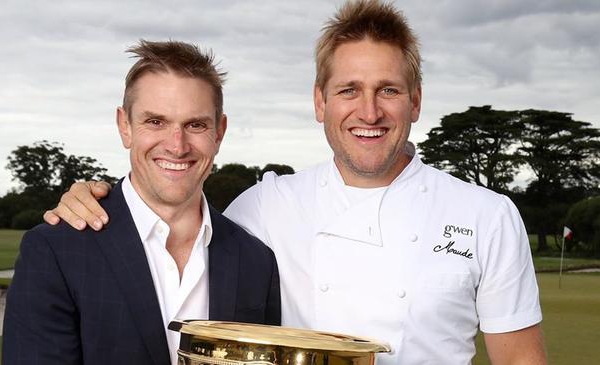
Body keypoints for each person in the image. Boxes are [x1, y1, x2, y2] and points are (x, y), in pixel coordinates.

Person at [43, 1, 547, 364]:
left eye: (388, 90)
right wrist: (93, 195)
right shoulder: (265, 206)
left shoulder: (487, 215)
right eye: (348, 90)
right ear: (319, 102)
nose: (368, 111)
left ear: (415, 101)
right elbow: (172, 207)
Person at [3, 40, 280, 365]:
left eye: (195, 125)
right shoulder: (55, 251)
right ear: (125, 126)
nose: (177, 146)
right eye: (156, 122)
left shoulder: (256, 260)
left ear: (219, 132)